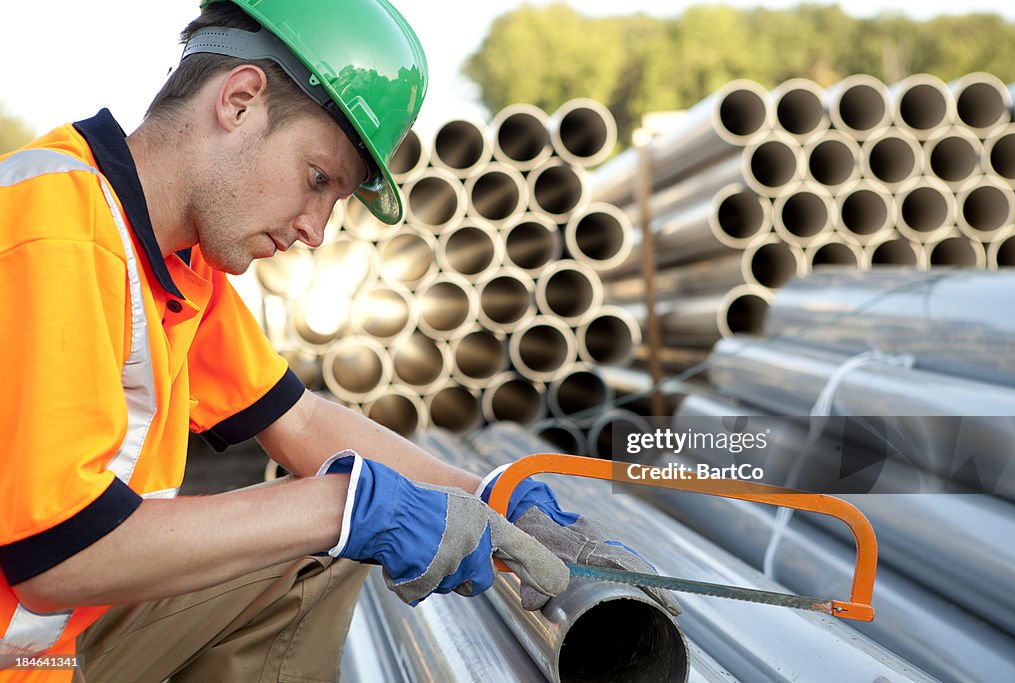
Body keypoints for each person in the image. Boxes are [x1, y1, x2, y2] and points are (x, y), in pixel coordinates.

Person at [0, 1, 678, 681]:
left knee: (314, 536)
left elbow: (299, 420)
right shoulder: (53, 230)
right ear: (239, 102)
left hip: (51, 648)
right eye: (317, 179)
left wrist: (499, 502)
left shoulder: (172, 258)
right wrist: (341, 506)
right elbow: (59, 556)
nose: (316, 230)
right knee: (325, 518)